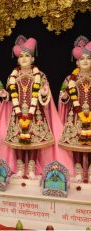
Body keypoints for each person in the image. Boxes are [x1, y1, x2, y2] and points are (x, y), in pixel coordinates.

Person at [0, 35, 73, 178]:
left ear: (33, 59)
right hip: (17, 114)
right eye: (22, 56)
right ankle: (20, 168)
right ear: (18, 59)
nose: (24, 58)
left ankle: (31, 168)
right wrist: (4, 95)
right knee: (18, 140)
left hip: (35, 113)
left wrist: (44, 93)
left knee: (34, 141)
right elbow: (11, 97)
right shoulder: (12, 76)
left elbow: (45, 97)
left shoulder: (40, 75)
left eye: (27, 55)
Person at [59, 35, 91, 182]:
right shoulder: (69, 79)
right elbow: (64, 99)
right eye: (82, 59)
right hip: (76, 116)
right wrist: (64, 97)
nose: (85, 61)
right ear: (77, 61)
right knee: (77, 144)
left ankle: (90, 171)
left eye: (88, 58)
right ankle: (78, 170)